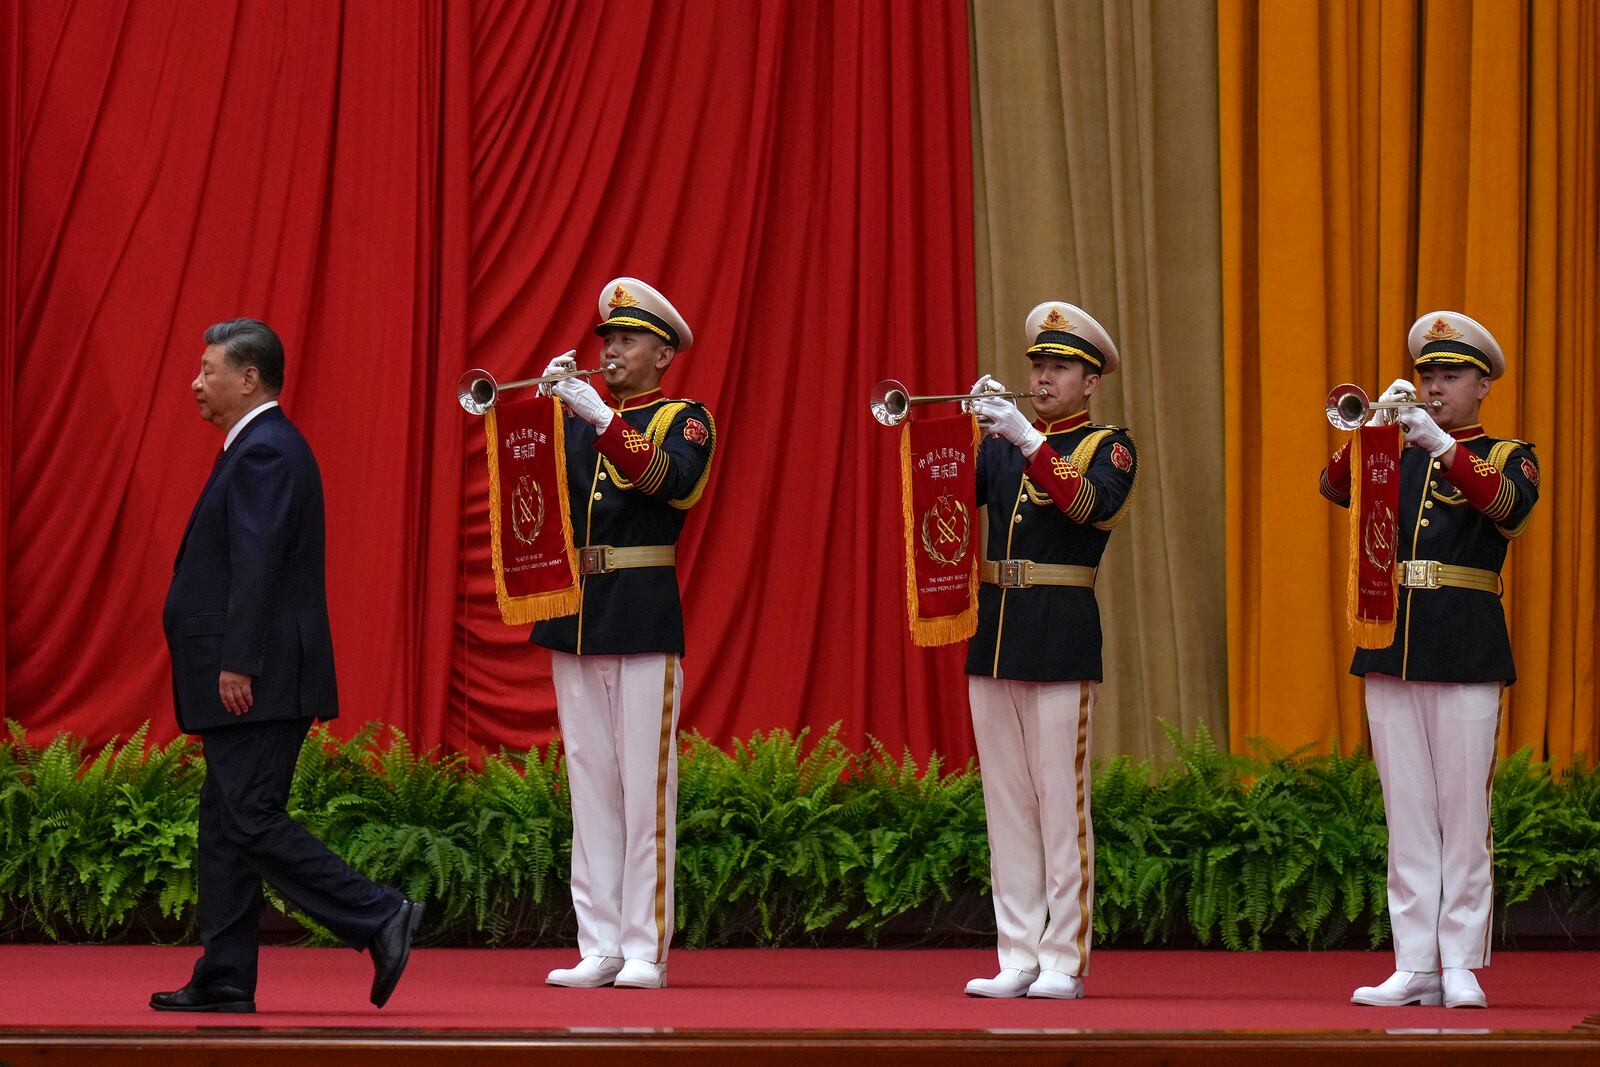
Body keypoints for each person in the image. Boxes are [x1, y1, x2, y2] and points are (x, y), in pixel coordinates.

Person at [153, 318, 421, 1013]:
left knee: (247, 816)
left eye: (208, 368)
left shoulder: (266, 450)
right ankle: (227, 974)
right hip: (253, 676)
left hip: (257, 677)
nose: (196, 381)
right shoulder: (255, 447)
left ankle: (379, 913)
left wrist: (237, 659)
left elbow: (259, 561)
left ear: (248, 378)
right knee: (225, 822)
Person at [1321, 311, 1538, 1010]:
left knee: (1462, 814)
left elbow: (1506, 506)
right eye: (1427, 376)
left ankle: (1461, 962)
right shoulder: (1395, 450)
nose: (1435, 387)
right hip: (1391, 643)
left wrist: (1441, 443)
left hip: (1466, 643)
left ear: (1482, 384)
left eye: (1450, 375)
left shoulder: (1506, 452)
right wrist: (1373, 425)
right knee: (1408, 811)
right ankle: (1414, 962)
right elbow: (1334, 485)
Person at [534, 279, 716, 990]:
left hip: (640, 610)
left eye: (627, 339)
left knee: (645, 787)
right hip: (578, 608)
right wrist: (540, 415)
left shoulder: (684, 417)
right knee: (591, 785)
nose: (610, 350)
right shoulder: (581, 417)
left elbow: (671, 482)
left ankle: (644, 945)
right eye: (607, 338)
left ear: (662, 353)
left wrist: (597, 415)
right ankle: (599, 940)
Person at [960, 302, 1137, 999]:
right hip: (997, 631)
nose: (1043, 377)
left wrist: (1027, 438)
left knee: (1060, 804)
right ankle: (1017, 952)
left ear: (1090, 381)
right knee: (1006, 805)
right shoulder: (1002, 441)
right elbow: (944, 497)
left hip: (1060, 632)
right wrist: (951, 429)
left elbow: (1090, 504)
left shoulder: (1108, 444)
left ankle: (1062, 955)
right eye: (1038, 364)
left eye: (1059, 366)